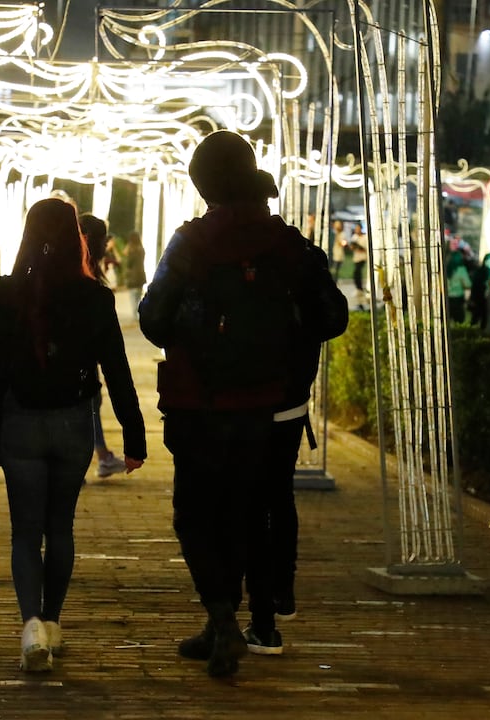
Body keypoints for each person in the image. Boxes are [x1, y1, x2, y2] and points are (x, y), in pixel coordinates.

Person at [138, 130, 344, 678]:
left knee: (195, 515)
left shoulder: (190, 243)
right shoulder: (287, 244)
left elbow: (153, 318)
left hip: (197, 402)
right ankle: (236, 619)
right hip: (263, 403)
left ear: (203, 183)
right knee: (245, 513)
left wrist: (195, 338)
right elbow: (332, 317)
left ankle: (221, 616)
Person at [0, 198, 147, 672]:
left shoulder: (5, 294)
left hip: (20, 419)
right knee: (60, 527)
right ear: (76, 237)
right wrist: (134, 437)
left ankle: (31, 624)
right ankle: (53, 620)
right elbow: (116, 370)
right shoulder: (93, 297)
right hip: (73, 420)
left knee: (24, 531)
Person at [243, 222, 350, 656]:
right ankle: (281, 591)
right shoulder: (302, 252)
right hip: (290, 400)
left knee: (246, 504)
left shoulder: (225, 247)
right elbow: (332, 319)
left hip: (240, 401)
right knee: (278, 496)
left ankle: (258, 617)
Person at [78, 213, 129, 479]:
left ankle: (95, 456)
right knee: (88, 402)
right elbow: (115, 363)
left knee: (89, 402)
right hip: (81, 362)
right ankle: (96, 457)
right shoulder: (91, 287)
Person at [444, 249, 472, 324]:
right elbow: (468, 284)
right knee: (458, 320)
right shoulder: (461, 269)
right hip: (458, 298)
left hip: (446, 297)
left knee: (446, 319)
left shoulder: (445, 269)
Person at [121, 231, 148, 309]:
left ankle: (136, 314)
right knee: (138, 300)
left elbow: (128, 263)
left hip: (133, 279)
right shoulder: (142, 250)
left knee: (133, 301)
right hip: (141, 277)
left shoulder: (132, 251)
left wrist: (127, 249)